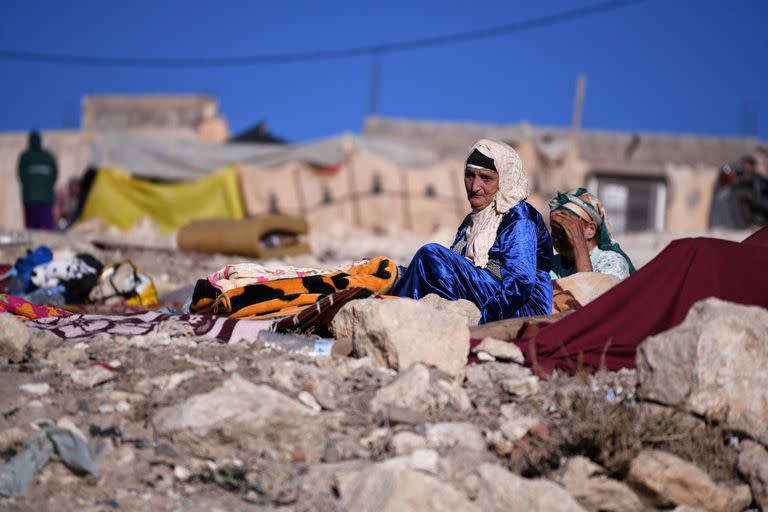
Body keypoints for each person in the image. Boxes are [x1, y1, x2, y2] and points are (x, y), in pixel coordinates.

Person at [392, 139, 554, 323]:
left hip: (521, 307)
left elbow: (521, 282)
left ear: (504, 180)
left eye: (486, 178)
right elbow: (458, 264)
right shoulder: (475, 219)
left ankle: (410, 316)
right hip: (488, 292)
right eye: (470, 176)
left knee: (431, 255)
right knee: (424, 262)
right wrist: (395, 273)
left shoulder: (518, 216)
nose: (475, 186)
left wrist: (481, 321)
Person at [548, 188, 635, 280]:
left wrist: (579, 244)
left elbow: (590, 291)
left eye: (562, 230)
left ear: (590, 230)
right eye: (554, 229)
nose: (554, 236)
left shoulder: (613, 263)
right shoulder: (551, 264)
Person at [17, 131, 58, 230]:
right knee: (46, 231)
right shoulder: (48, 157)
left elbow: (21, 176)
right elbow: (54, 175)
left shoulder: (25, 157)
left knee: (32, 232)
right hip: (46, 201)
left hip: (30, 200)